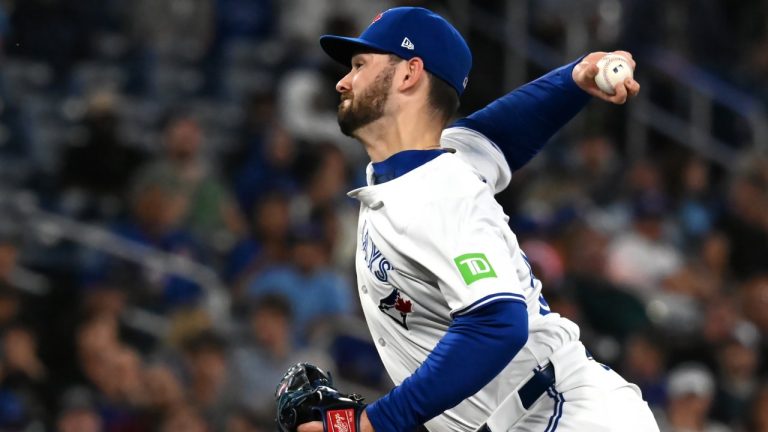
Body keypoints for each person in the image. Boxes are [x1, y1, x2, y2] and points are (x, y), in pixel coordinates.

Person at [298, 6, 657, 432]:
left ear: (409, 74)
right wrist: (575, 77)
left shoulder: (439, 194)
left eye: (360, 65)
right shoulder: (432, 166)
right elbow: (498, 134)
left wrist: (372, 424)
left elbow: (498, 322)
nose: (343, 80)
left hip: (563, 416)